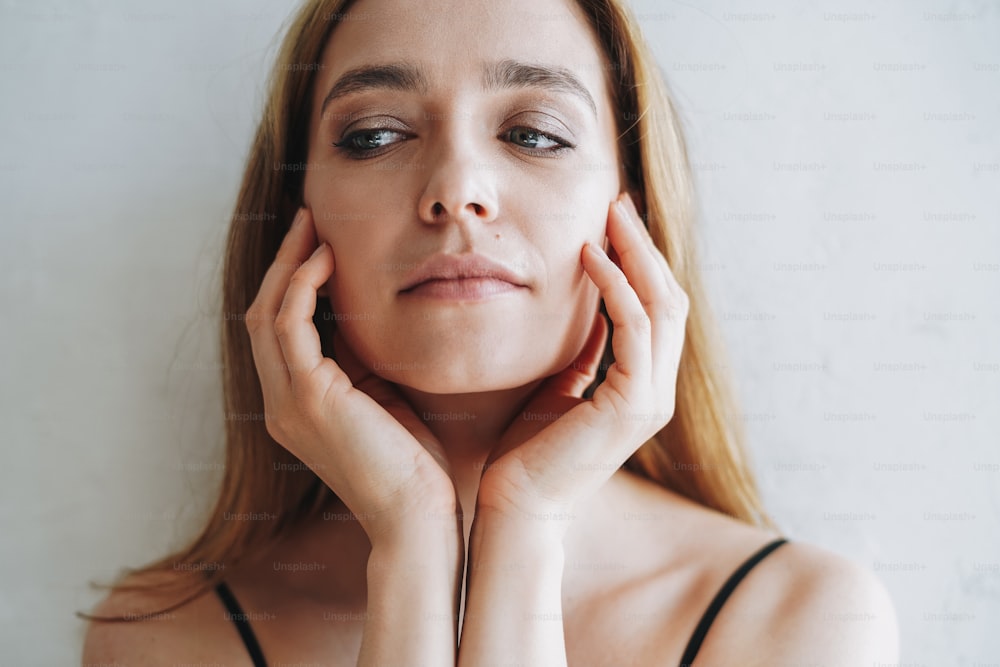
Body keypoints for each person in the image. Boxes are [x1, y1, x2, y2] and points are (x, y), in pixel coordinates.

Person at [81, 0, 900, 664]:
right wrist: (409, 543)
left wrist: (526, 528)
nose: (456, 189)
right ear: (295, 220)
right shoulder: (160, 638)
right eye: (374, 136)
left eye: (534, 133)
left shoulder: (800, 621)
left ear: (636, 217)